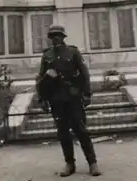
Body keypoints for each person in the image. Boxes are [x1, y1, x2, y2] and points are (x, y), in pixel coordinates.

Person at [35, 25, 101, 177]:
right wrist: (42, 99)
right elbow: (41, 79)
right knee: (63, 132)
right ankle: (69, 163)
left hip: (73, 97)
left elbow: (85, 74)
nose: (55, 38)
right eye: (52, 36)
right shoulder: (47, 55)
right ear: (49, 38)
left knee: (81, 130)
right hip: (56, 99)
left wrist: (87, 94)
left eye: (58, 35)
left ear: (63, 36)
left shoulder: (73, 52)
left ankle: (92, 162)